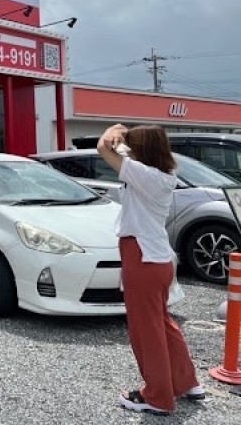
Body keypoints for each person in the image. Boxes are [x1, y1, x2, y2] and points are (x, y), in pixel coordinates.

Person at [97, 124, 205, 415]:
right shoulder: (164, 175)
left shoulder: (142, 173)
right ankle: (186, 382)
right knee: (162, 323)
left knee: (147, 330)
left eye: (133, 146)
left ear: (142, 150)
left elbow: (102, 147)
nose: (128, 150)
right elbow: (114, 149)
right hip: (157, 257)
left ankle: (157, 397)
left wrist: (116, 129)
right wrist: (124, 136)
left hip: (141, 256)